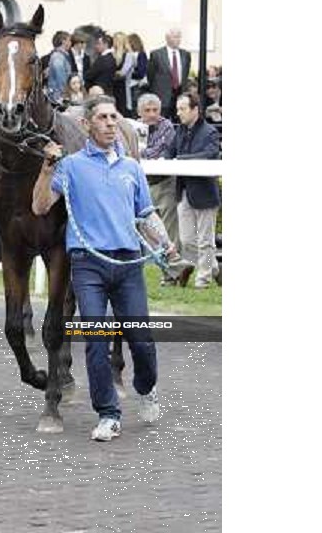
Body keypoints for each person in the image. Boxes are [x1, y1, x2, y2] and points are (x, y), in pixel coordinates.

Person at [31, 95, 161, 442]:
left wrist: (165, 245)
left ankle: (146, 388)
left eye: (113, 117)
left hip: (128, 264)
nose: (109, 123)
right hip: (89, 265)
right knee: (96, 340)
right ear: (87, 125)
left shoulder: (131, 168)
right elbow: (41, 205)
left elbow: (146, 213)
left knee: (142, 341)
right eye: (101, 117)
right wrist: (47, 168)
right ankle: (108, 414)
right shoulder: (70, 166)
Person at [165, 93, 221, 289]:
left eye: (182, 109)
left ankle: (203, 279)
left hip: (205, 194)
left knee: (206, 241)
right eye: (178, 108)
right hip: (184, 192)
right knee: (187, 240)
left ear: (195, 110)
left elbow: (211, 154)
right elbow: (169, 153)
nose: (178, 112)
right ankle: (214, 268)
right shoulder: (179, 130)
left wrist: (181, 160)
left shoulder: (210, 132)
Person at [136, 93, 180, 284]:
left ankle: (173, 273)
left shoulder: (167, 126)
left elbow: (156, 151)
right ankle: (165, 272)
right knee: (149, 234)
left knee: (168, 232)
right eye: (147, 110)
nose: (152, 114)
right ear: (139, 112)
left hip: (164, 184)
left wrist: (140, 152)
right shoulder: (134, 127)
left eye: (155, 110)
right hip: (144, 186)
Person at [147, 28, 191, 120]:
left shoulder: (185, 54)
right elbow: (150, 75)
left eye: (179, 37)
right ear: (167, 38)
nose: (178, 39)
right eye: (175, 37)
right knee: (161, 122)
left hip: (180, 93)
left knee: (181, 120)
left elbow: (185, 74)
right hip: (162, 95)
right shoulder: (156, 54)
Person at [47, 31, 72, 103]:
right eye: (69, 40)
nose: (71, 43)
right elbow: (60, 78)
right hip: (59, 96)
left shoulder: (61, 56)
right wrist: (66, 94)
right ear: (63, 41)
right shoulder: (58, 57)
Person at [112, 32, 130, 116]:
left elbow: (123, 72)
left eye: (117, 40)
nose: (115, 42)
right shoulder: (112, 54)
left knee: (122, 110)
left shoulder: (128, 55)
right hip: (112, 86)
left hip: (123, 87)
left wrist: (113, 73)